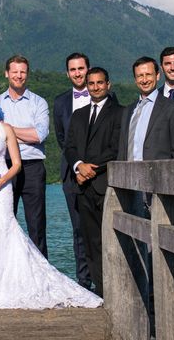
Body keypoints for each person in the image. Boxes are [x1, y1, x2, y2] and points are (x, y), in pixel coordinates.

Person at [0, 85, 103, 309]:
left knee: (4, 231)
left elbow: (17, 164)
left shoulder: (6, 130)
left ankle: (6, 282)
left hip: (1, 190)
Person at [65, 67, 123, 298]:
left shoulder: (120, 112)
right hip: (82, 187)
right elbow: (69, 147)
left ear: (108, 84)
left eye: (100, 83)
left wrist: (90, 168)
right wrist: (78, 165)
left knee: (112, 240)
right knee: (90, 243)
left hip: (106, 184)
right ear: (86, 86)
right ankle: (101, 292)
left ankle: (117, 289)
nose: (96, 87)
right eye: (91, 83)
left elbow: (116, 148)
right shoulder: (78, 115)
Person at [0, 55, 50, 257]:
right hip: (5, 166)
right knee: (6, 221)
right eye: (15, 71)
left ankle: (43, 273)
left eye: (23, 72)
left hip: (33, 167)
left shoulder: (39, 103)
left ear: (27, 74)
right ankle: (7, 271)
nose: (19, 76)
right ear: (7, 73)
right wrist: (23, 133)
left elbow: (39, 135)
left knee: (36, 224)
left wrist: (7, 130)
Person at [53, 52, 93, 288]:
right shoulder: (60, 102)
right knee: (78, 228)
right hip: (71, 173)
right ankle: (83, 281)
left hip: (100, 173)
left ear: (88, 69)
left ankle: (103, 278)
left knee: (100, 228)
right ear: (67, 73)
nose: (77, 73)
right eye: (73, 69)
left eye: (81, 68)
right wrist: (77, 164)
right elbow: (62, 138)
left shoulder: (106, 95)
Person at [117, 56, 174, 165]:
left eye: (148, 75)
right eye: (140, 76)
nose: (145, 80)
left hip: (159, 178)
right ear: (135, 79)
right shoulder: (128, 111)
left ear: (158, 75)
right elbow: (122, 151)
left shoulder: (172, 108)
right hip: (129, 177)